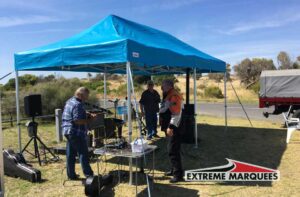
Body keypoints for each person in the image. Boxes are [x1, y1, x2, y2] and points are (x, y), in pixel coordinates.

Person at [62, 87, 96, 180]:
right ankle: (89, 175)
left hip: (68, 131)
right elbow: (77, 120)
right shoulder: (78, 105)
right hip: (75, 132)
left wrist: (85, 113)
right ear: (81, 95)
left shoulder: (70, 101)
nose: (87, 98)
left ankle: (71, 175)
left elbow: (74, 114)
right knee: (83, 153)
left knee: (71, 154)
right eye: (86, 95)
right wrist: (90, 119)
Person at [159, 79, 184, 183]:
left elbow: (176, 113)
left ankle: (178, 175)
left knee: (172, 150)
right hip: (171, 125)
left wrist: (171, 127)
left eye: (163, 85)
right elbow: (165, 108)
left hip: (174, 126)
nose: (161, 87)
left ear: (169, 86)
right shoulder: (169, 94)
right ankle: (174, 170)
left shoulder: (173, 95)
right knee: (173, 148)